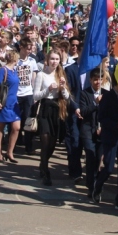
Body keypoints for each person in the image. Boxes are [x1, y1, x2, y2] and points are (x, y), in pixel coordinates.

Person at [92, 74, 118, 210]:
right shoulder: (107, 96)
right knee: (108, 167)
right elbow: (102, 118)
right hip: (111, 136)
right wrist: (116, 125)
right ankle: (98, 185)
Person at [33, 50, 70, 185]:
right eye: (52, 59)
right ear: (47, 60)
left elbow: (66, 97)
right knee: (45, 141)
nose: (54, 62)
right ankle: (45, 172)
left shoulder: (61, 75)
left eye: (57, 59)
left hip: (56, 109)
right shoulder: (41, 75)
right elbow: (35, 96)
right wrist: (48, 89)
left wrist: (63, 87)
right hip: (44, 109)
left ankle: (43, 163)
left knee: (52, 144)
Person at [0, 50, 22, 163]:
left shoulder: (14, 71)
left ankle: (10, 151)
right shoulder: (3, 70)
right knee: (0, 127)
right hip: (4, 102)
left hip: (13, 102)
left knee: (16, 127)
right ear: (15, 59)